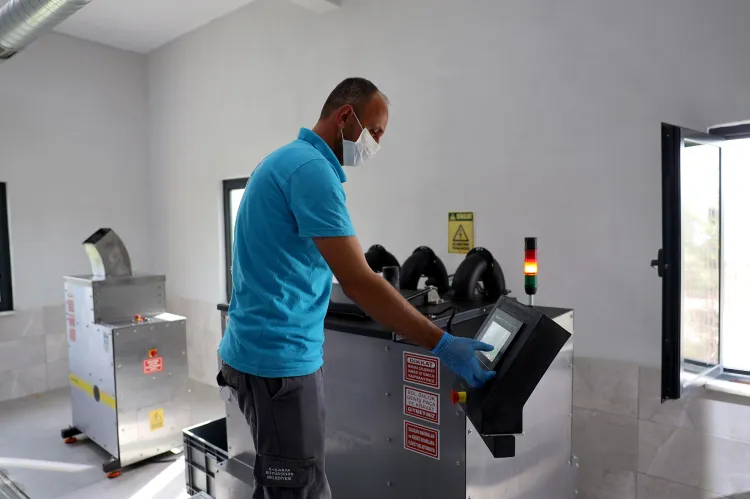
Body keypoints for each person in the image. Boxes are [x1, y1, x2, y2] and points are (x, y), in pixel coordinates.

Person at [217, 77, 495, 499]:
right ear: (346, 116)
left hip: (265, 355)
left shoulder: (282, 161)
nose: (376, 145)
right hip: (278, 364)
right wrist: (441, 344)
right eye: (375, 132)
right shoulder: (311, 171)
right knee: (297, 490)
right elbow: (360, 282)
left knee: (297, 484)